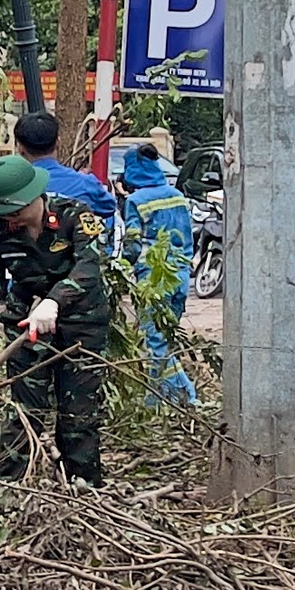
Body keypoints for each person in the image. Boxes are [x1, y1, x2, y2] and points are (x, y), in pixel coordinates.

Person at [0, 155, 113, 486]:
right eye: (2, 214)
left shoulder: (75, 215)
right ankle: (3, 489)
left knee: (78, 414)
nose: (8, 221)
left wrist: (56, 301)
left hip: (81, 323)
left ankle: (82, 488)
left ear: (33, 198)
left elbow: (90, 266)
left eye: (13, 212)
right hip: (26, 323)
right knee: (24, 410)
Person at [115, 139, 198, 409]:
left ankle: (187, 397)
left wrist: (121, 268)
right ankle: (158, 400)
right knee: (165, 339)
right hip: (180, 275)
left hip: (153, 278)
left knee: (156, 342)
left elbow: (133, 243)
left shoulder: (136, 201)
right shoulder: (178, 196)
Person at [11, 109, 115, 221]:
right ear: (58, 142)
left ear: (20, 148)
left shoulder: (9, 189)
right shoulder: (85, 183)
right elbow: (109, 208)